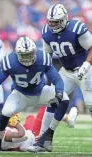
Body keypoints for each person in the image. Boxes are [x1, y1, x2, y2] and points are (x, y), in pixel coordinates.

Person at [0, 36, 69, 154]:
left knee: (64, 99)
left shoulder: (43, 58)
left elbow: (57, 79)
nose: (27, 58)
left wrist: (58, 94)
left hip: (40, 92)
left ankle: (48, 135)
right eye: (24, 55)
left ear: (35, 52)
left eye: (29, 54)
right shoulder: (9, 61)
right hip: (20, 94)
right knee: (5, 112)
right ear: (17, 53)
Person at [29, 3, 92, 152]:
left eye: (56, 22)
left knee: (90, 105)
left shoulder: (77, 29)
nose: (52, 25)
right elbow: (47, 57)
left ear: (64, 19)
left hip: (86, 69)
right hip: (67, 71)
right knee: (52, 99)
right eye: (50, 22)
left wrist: (87, 65)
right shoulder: (46, 32)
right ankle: (43, 141)